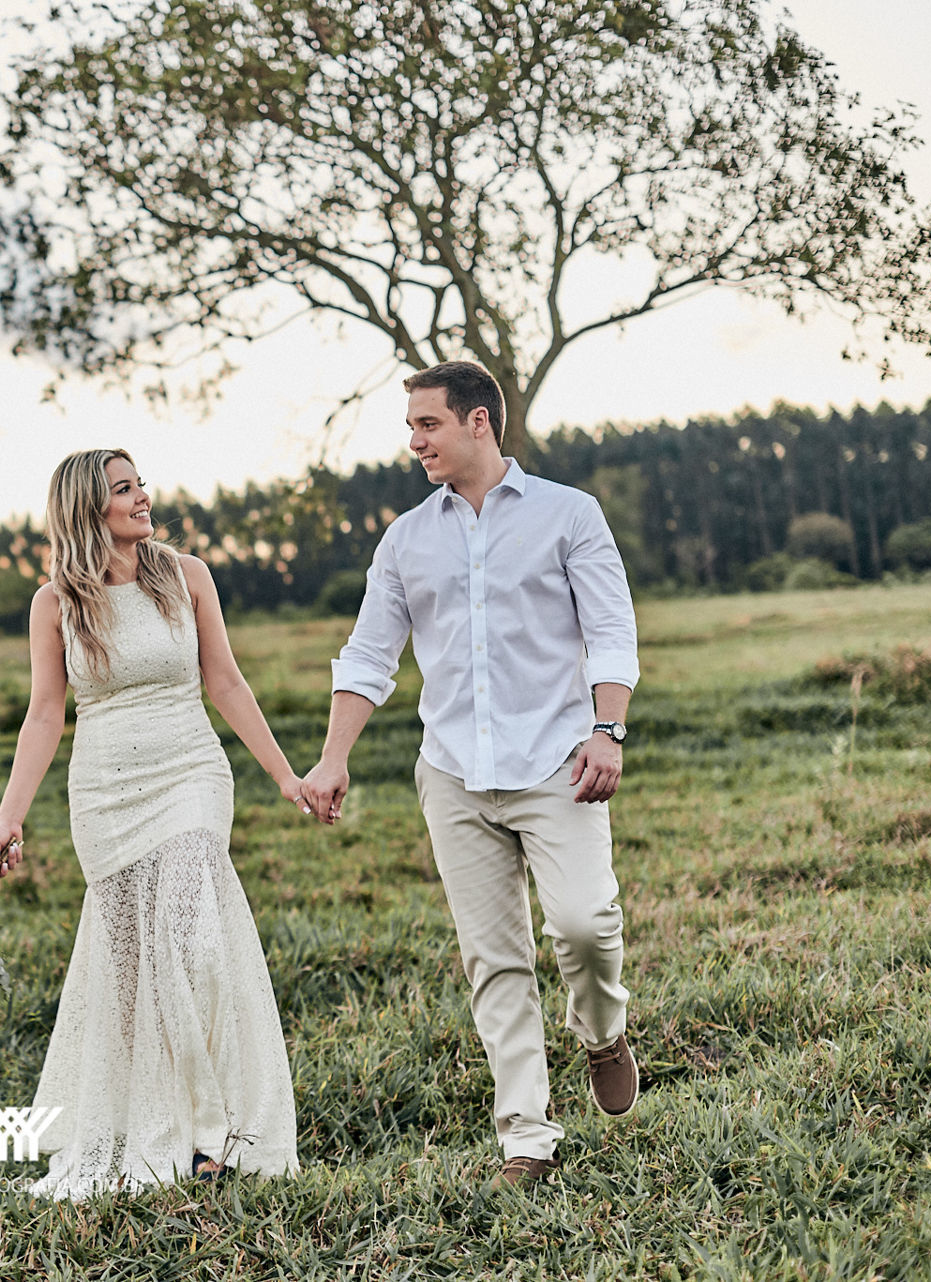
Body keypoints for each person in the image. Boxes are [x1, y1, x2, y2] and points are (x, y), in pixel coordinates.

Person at [301, 360, 641, 1189]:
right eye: (412, 425)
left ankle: (602, 1030)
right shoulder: (406, 539)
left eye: (427, 424)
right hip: (452, 772)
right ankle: (527, 1136)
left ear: (478, 422)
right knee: (494, 960)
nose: (413, 440)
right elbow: (371, 654)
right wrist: (333, 755)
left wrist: (607, 729)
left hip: (560, 763)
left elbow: (610, 629)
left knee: (585, 927)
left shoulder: (570, 515)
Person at [0, 447, 305, 1201]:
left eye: (140, 484)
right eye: (124, 490)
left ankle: (219, 1128)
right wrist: (9, 819)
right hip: (106, 794)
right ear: (87, 510)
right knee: (132, 972)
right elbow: (44, 713)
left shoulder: (187, 575)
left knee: (196, 948)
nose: (143, 498)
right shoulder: (54, 604)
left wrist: (285, 775)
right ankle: (166, 1129)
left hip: (191, 773)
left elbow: (224, 680)